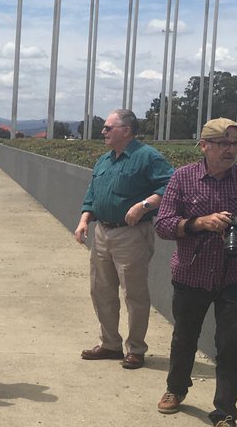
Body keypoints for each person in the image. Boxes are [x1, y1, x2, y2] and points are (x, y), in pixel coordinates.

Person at [154, 118, 237, 427]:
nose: (231, 150)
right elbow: (163, 224)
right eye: (223, 143)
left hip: (236, 276)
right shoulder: (183, 177)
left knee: (232, 348)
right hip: (192, 274)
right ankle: (176, 388)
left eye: (235, 144)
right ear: (204, 145)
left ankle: (225, 415)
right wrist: (199, 223)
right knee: (185, 337)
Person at [73, 109, 174, 369]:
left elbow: (171, 185)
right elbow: (92, 194)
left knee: (134, 293)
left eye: (108, 128)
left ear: (126, 130)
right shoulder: (104, 161)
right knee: (101, 290)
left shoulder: (147, 157)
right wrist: (85, 220)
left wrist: (145, 204)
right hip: (102, 233)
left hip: (132, 234)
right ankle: (110, 344)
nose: (103, 132)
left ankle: (136, 349)